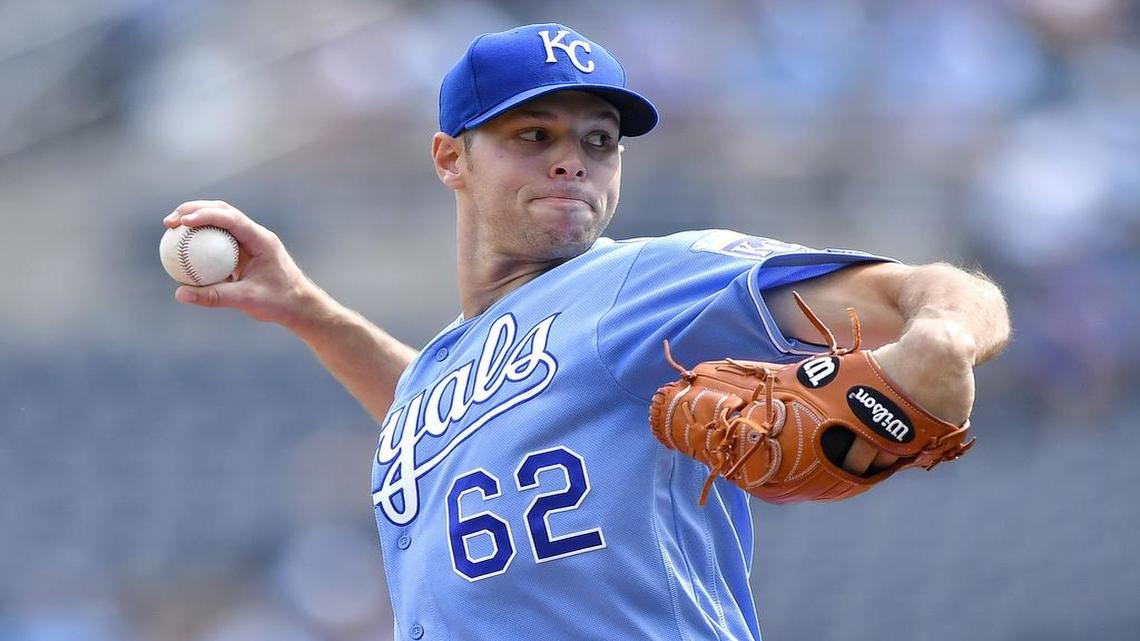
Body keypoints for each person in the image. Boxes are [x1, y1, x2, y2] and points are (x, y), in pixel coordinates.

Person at [164, 23, 1010, 641]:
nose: (573, 159)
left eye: (598, 141)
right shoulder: (459, 367)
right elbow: (445, 420)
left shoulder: (644, 281)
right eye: (534, 135)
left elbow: (916, 291)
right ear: (450, 158)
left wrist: (941, 335)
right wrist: (308, 309)